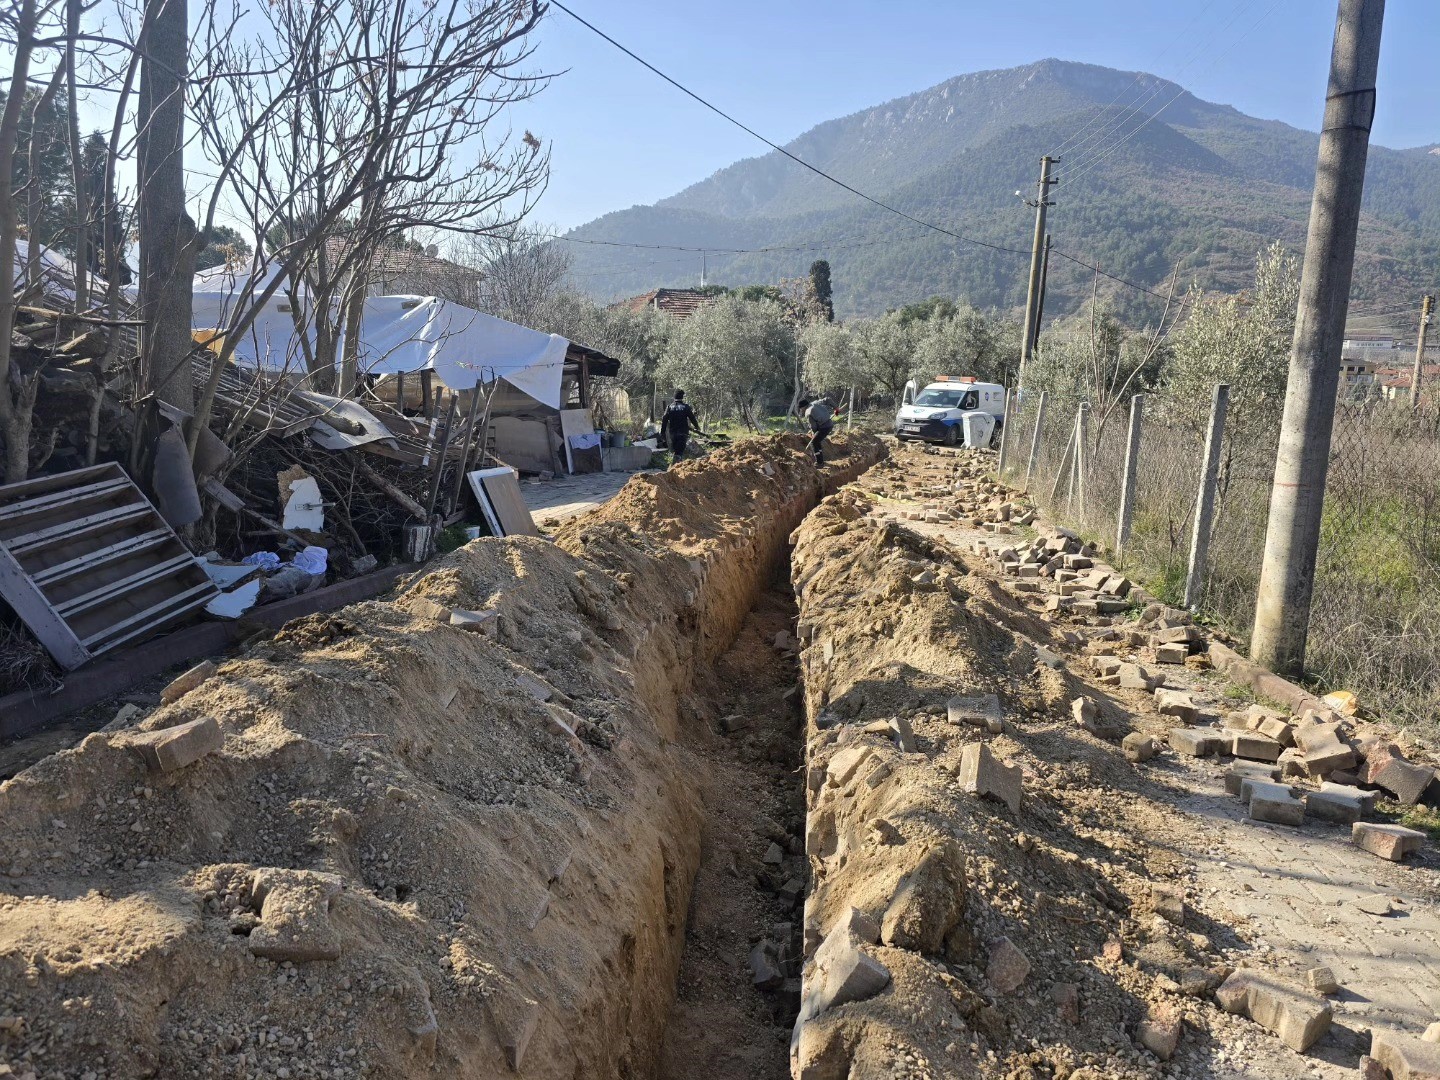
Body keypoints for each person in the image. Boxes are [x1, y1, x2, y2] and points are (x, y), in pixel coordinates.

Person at [659, 389, 705, 465]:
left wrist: (662, 432)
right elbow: (692, 418)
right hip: (683, 433)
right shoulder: (686, 407)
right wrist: (697, 427)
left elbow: (664, 420)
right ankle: (676, 469)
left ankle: (675, 467)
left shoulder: (669, 407)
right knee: (679, 453)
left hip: (673, 433)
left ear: (674, 397)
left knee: (675, 451)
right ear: (682, 397)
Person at [802, 394, 837, 465]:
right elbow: (828, 399)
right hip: (829, 424)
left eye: (801, 408)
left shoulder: (808, 412)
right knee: (817, 441)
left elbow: (814, 426)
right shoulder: (815, 403)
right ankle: (821, 460)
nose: (801, 410)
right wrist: (836, 408)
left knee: (814, 443)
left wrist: (814, 433)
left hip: (824, 427)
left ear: (803, 407)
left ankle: (819, 462)